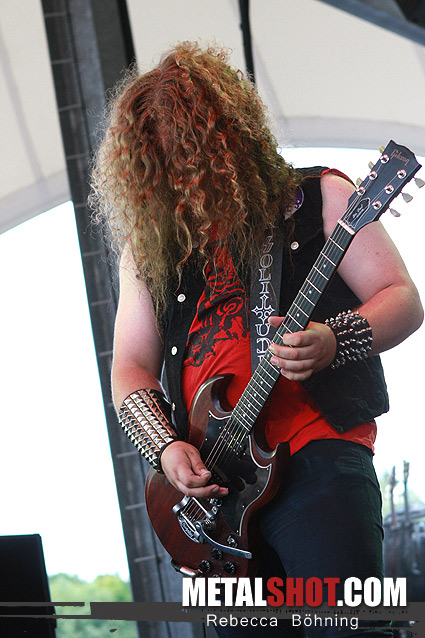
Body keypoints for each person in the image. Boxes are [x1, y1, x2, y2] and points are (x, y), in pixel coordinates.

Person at [91, 42, 423, 636]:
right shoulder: (149, 252)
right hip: (215, 495)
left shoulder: (320, 196)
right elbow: (130, 367)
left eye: (192, 152)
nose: (183, 176)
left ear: (229, 138)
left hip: (317, 453)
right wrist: (165, 448)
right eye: (163, 164)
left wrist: (334, 339)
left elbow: (402, 299)